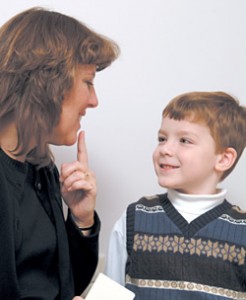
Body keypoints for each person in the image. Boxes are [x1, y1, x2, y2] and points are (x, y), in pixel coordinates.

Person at [0, 6, 119, 299]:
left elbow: (64, 286)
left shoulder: (41, 170)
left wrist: (81, 220)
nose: (94, 101)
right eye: (88, 83)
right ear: (48, 83)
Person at [105, 91, 246, 300]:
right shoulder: (134, 218)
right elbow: (110, 294)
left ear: (224, 158)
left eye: (184, 140)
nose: (165, 149)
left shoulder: (241, 231)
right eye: (162, 138)